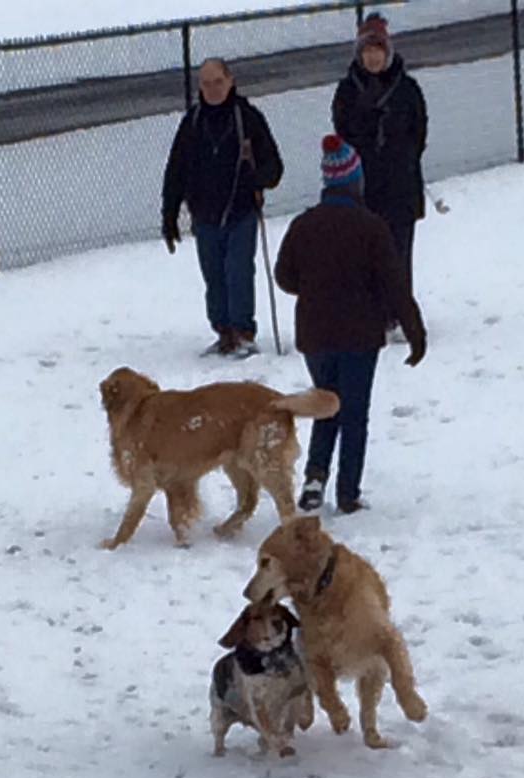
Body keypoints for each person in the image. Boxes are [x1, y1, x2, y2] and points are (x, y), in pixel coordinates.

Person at [274, 134, 426, 515]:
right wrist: (414, 330)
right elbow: (394, 284)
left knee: (327, 404)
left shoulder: (304, 224)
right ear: (355, 181)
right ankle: (348, 492)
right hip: (360, 335)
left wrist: (312, 287)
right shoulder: (371, 226)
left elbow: (284, 277)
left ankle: (314, 477)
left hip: (315, 334)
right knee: (354, 413)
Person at [162, 58, 284, 359]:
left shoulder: (248, 117)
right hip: (204, 214)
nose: (212, 89)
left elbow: (274, 166)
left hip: (241, 211)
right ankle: (224, 332)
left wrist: (255, 180)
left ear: (230, 81)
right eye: (206, 83)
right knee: (213, 275)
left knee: (238, 270)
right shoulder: (192, 122)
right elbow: (175, 170)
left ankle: (243, 331)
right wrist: (169, 214)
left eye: (218, 82)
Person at [331, 13, 427, 300]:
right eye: (367, 51)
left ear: (387, 52)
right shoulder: (348, 91)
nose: (373, 58)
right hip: (362, 185)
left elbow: (418, 131)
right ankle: (372, 309)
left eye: (378, 51)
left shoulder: (407, 88)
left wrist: (404, 158)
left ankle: (398, 309)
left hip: (400, 184)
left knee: (399, 250)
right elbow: (342, 131)